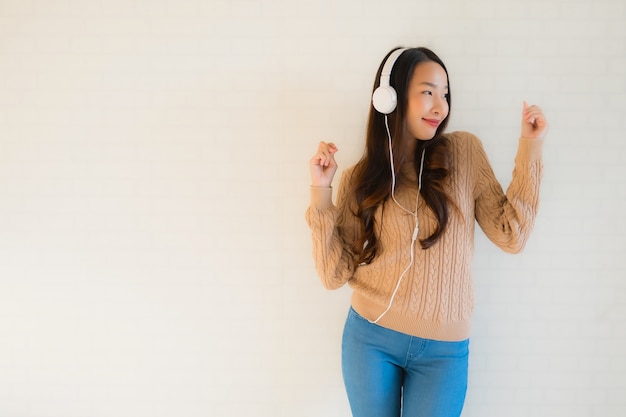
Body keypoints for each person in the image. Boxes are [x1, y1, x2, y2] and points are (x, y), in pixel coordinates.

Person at [305, 46, 548, 417]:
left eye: (445, 94)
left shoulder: (464, 152)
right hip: (370, 339)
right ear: (391, 97)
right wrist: (321, 192)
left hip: (444, 351)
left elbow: (511, 234)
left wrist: (531, 146)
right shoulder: (362, 176)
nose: (440, 106)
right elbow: (333, 274)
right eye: (428, 91)